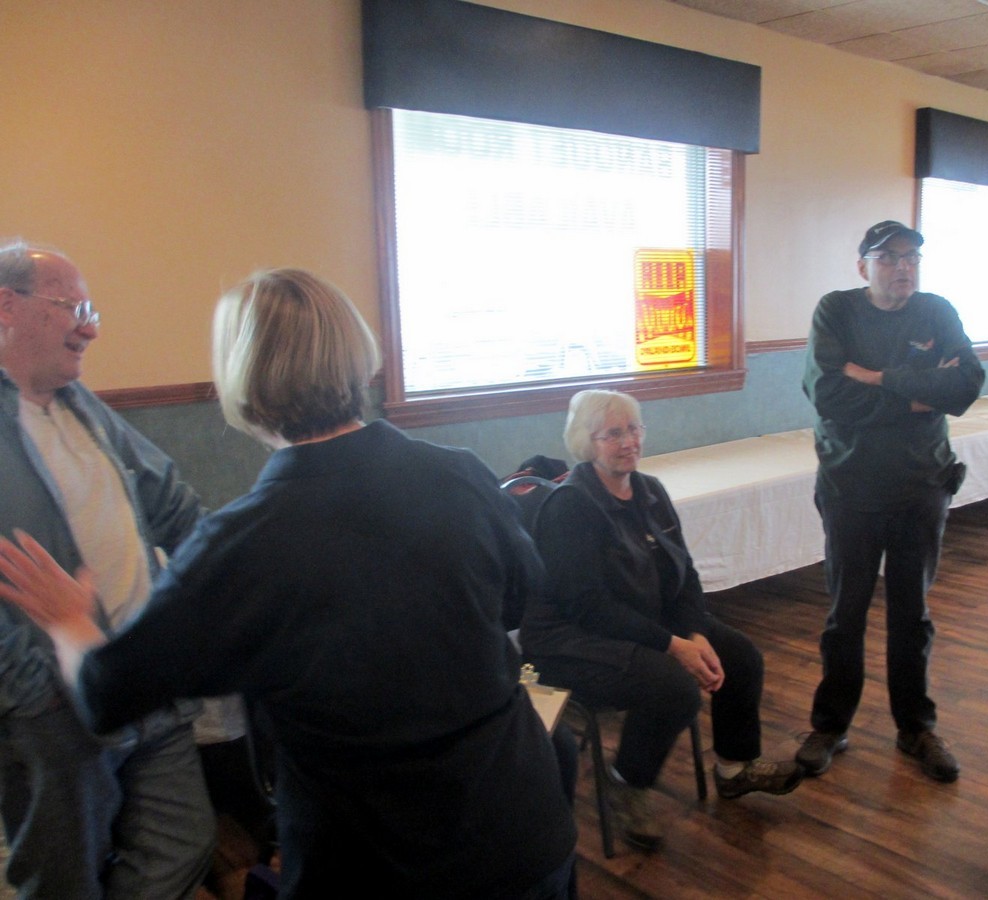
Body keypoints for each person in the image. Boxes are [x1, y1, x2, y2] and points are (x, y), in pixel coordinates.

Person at [0, 268, 577, 898]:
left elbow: (107, 694)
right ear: (356, 355)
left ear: (241, 379)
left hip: (375, 861)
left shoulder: (242, 543)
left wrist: (70, 623)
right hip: (519, 831)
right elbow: (519, 598)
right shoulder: (460, 472)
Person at [0, 240, 215, 898]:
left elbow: (175, 506)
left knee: (185, 840)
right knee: (65, 879)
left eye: (90, 311)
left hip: (144, 680)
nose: (89, 328)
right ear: (6, 306)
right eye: (72, 308)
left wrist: (224, 591)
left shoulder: (80, 404)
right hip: (55, 706)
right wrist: (34, 694)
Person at [519, 389, 802, 852]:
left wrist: (695, 632)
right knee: (673, 688)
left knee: (741, 656)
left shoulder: (650, 490)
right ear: (587, 442)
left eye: (634, 429)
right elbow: (589, 607)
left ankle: (734, 769)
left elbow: (684, 572)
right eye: (613, 434)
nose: (628, 441)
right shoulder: (570, 506)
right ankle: (625, 782)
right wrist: (673, 645)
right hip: (569, 641)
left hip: (641, 619)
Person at [795, 220, 984, 783]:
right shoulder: (836, 311)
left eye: (911, 258)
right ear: (863, 266)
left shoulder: (937, 311)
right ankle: (830, 725)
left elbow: (966, 387)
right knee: (845, 613)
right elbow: (829, 394)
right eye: (888, 257)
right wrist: (920, 393)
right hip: (850, 486)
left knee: (912, 614)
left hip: (922, 484)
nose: (903, 267)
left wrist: (877, 377)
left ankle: (916, 727)